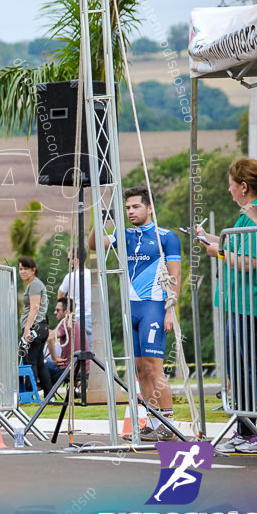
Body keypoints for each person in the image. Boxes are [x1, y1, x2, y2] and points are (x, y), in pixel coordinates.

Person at [197, 158, 257, 454]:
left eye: (231, 184)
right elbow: (235, 247)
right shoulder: (248, 214)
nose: (229, 189)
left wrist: (218, 251)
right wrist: (208, 238)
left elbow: (249, 261)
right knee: (239, 368)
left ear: (243, 186)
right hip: (241, 303)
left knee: (255, 367)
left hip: (255, 303)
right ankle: (246, 430)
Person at [90, 185, 181, 442]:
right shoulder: (124, 235)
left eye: (136, 206)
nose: (131, 211)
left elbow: (175, 276)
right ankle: (153, 423)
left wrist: (170, 312)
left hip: (154, 306)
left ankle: (169, 423)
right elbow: (95, 245)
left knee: (154, 367)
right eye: (127, 207)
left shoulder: (166, 236)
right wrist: (101, 217)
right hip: (132, 310)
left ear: (149, 208)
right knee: (140, 369)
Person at [16, 256, 51, 397]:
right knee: (39, 363)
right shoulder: (33, 284)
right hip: (41, 327)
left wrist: (27, 329)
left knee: (30, 362)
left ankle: (31, 395)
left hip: (35, 328)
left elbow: (35, 307)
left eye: (25, 269)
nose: (22, 272)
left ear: (33, 270)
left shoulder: (35, 284)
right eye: (20, 269)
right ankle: (50, 394)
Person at [44, 298, 85, 391]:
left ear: (66, 311)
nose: (55, 312)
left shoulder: (66, 323)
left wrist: (55, 359)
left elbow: (51, 338)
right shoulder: (76, 324)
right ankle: (77, 387)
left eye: (58, 310)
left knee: (40, 364)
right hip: (81, 369)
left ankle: (46, 392)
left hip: (67, 370)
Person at [58, 245, 94, 340]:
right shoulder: (92, 275)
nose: (69, 262)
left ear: (76, 260)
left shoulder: (69, 276)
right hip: (91, 317)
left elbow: (60, 295)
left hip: (76, 317)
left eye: (69, 259)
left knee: (75, 350)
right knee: (89, 349)